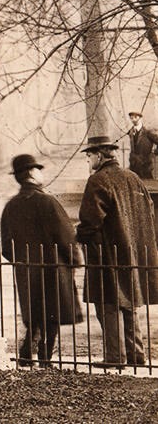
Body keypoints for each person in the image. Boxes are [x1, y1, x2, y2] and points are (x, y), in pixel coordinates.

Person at [77, 134, 158, 366]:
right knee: (130, 303)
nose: (88, 160)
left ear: (99, 155)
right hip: (132, 253)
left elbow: (91, 221)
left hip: (107, 254)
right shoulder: (133, 178)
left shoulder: (98, 180)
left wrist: (79, 235)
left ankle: (115, 357)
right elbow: (149, 211)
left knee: (108, 304)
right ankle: (136, 355)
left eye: (89, 155)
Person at [0, 153, 81, 366]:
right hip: (52, 267)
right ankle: (45, 356)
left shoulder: (11, 206)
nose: (40, 173)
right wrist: (73, 259)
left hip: (26, 269)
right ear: (32, 174)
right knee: (52, 313)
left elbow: (7, 247)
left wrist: (22, 260)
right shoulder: (47, 202)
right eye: (37, 169)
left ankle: (27, 353)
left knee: (33, 312)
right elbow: (65, 235)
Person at [128, 111, 158, 182]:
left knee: (148, 187)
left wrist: (155, 152)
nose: (134, 120)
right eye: (131, 118)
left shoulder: (147, 132)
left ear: (140, 118)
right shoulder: (131, 132)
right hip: (134, 166)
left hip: (146, 166)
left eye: (136, 117)